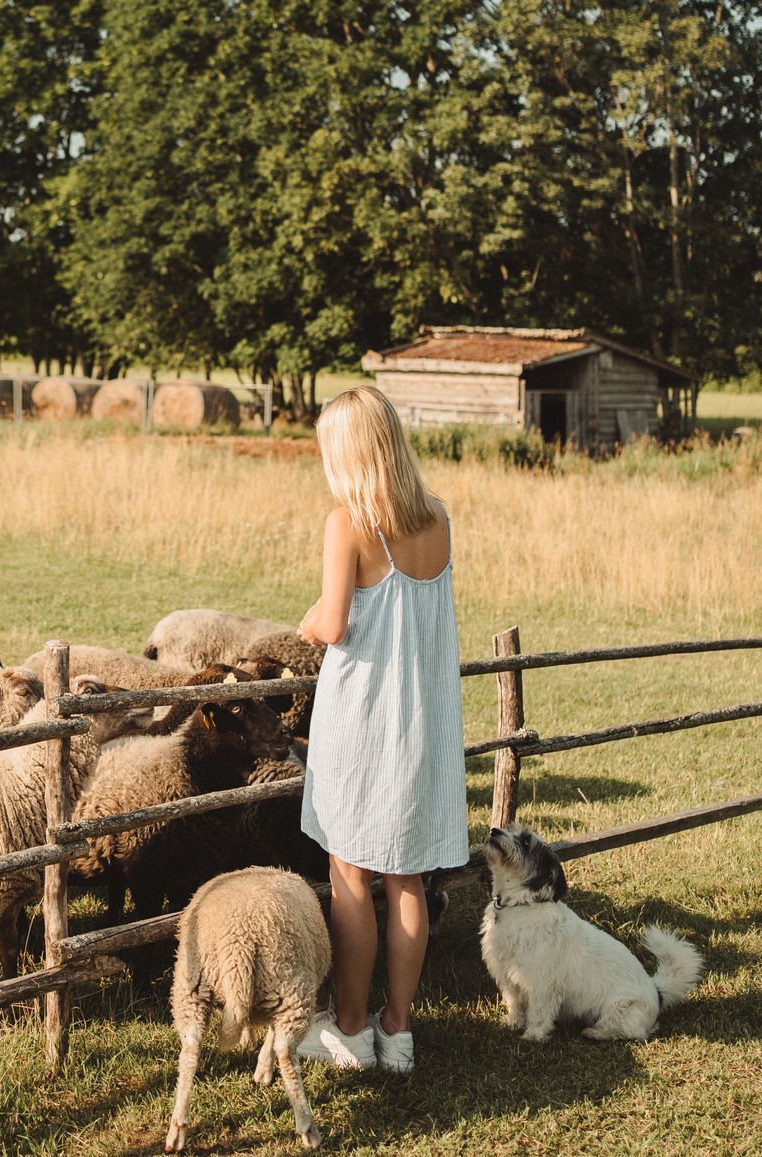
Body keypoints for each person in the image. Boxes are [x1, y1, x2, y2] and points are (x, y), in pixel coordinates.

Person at [294, 385, 468, 1073]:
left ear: (347, 453)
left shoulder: (348, 524)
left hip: (364, 720)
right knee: (408, 880)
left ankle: (350, 1026)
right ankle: (400, 1031)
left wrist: (308, 621)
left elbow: (334, 623)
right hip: (421, 719)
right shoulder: (438, 519)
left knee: (349, 873)